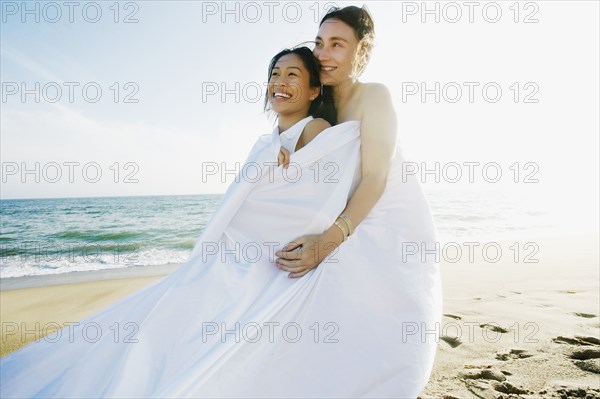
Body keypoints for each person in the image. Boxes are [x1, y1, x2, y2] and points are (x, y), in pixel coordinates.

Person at [0, 47, 366, 398]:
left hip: (254, 263)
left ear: (314, 89)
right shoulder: (266, 142)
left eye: (293, 75)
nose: (279, 82)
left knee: (175, 329)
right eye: (274, 74)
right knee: (158, 325)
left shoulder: (314, 129)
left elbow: (326, 187)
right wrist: (272, 153)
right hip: (225, 256)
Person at [273, 5, 444, 397]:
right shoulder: (319, 106)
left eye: (337, 44)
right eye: (318, 43)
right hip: (345, 211)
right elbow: (290, 131)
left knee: (381, 325)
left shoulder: (375, 97)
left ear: (361, 51)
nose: (322, 54)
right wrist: (280, 146)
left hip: (389, 217)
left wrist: (327, 242)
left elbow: (376, 176)